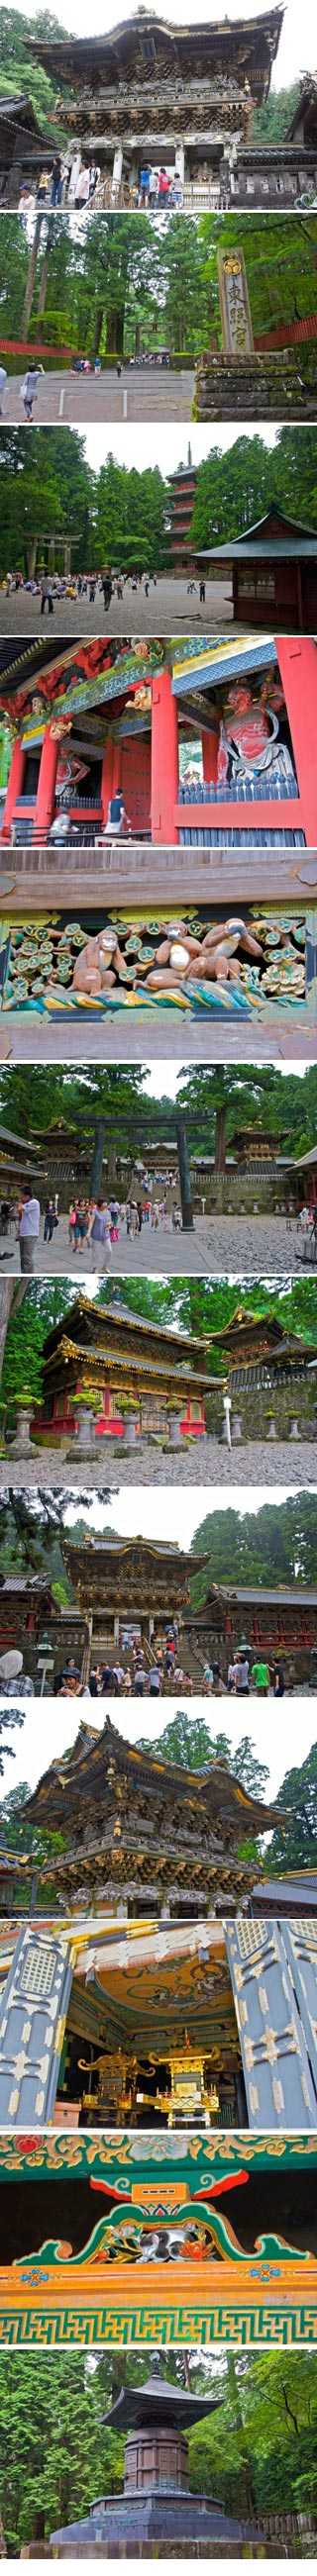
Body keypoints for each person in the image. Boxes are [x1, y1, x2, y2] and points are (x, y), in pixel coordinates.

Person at [18, 1185, 41, 1272]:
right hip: (23, 1233)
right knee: (22, 1258)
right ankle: (24, 1273)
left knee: (27, 1258)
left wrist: (20, 1203)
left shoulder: (34, 1202)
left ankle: (29, 1276)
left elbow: (19, 1208)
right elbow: (21, 1217)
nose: (20, 1197)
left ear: (27, 1195)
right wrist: (18, 1232)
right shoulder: (26, 1203)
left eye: (21, 1195)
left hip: (30, 1234)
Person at [87, 1199, 112, 1269]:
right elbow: (91, 1222)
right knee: (96, 1253)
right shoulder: (95, 1212)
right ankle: (94, 1268)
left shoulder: (108, 1212)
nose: (105, 1207)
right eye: (104, 1205)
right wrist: (89, 1232)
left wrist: (109, 1226)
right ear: (100, 1205)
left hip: (105, 1235)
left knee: (109, 1251)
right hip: (96, 1236)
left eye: (106, 1205)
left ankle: (105, 1266)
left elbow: (110, 1222)